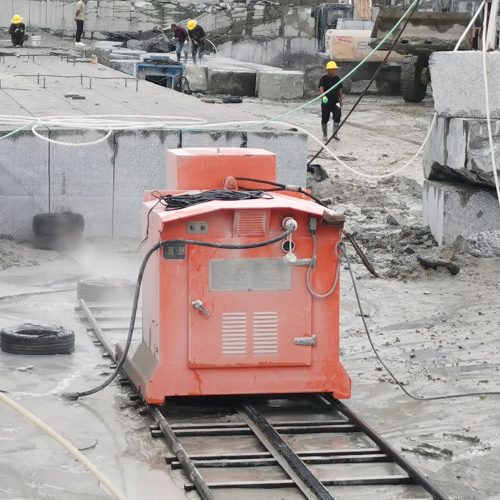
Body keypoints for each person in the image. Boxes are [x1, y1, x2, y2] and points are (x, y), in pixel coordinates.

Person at [319, 60, 343, 142]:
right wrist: (323, 96)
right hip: (326, 102)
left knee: (338, 115)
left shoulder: (337, 78)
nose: (333, 71)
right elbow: (321, 88)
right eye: (332, 69)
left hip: (336, 102)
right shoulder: (324, 78)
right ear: (328, 70)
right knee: (325, 118)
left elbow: (340, 89)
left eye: (334, 69)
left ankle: (335, 134)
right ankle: (325, 135)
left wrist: (341, 100)